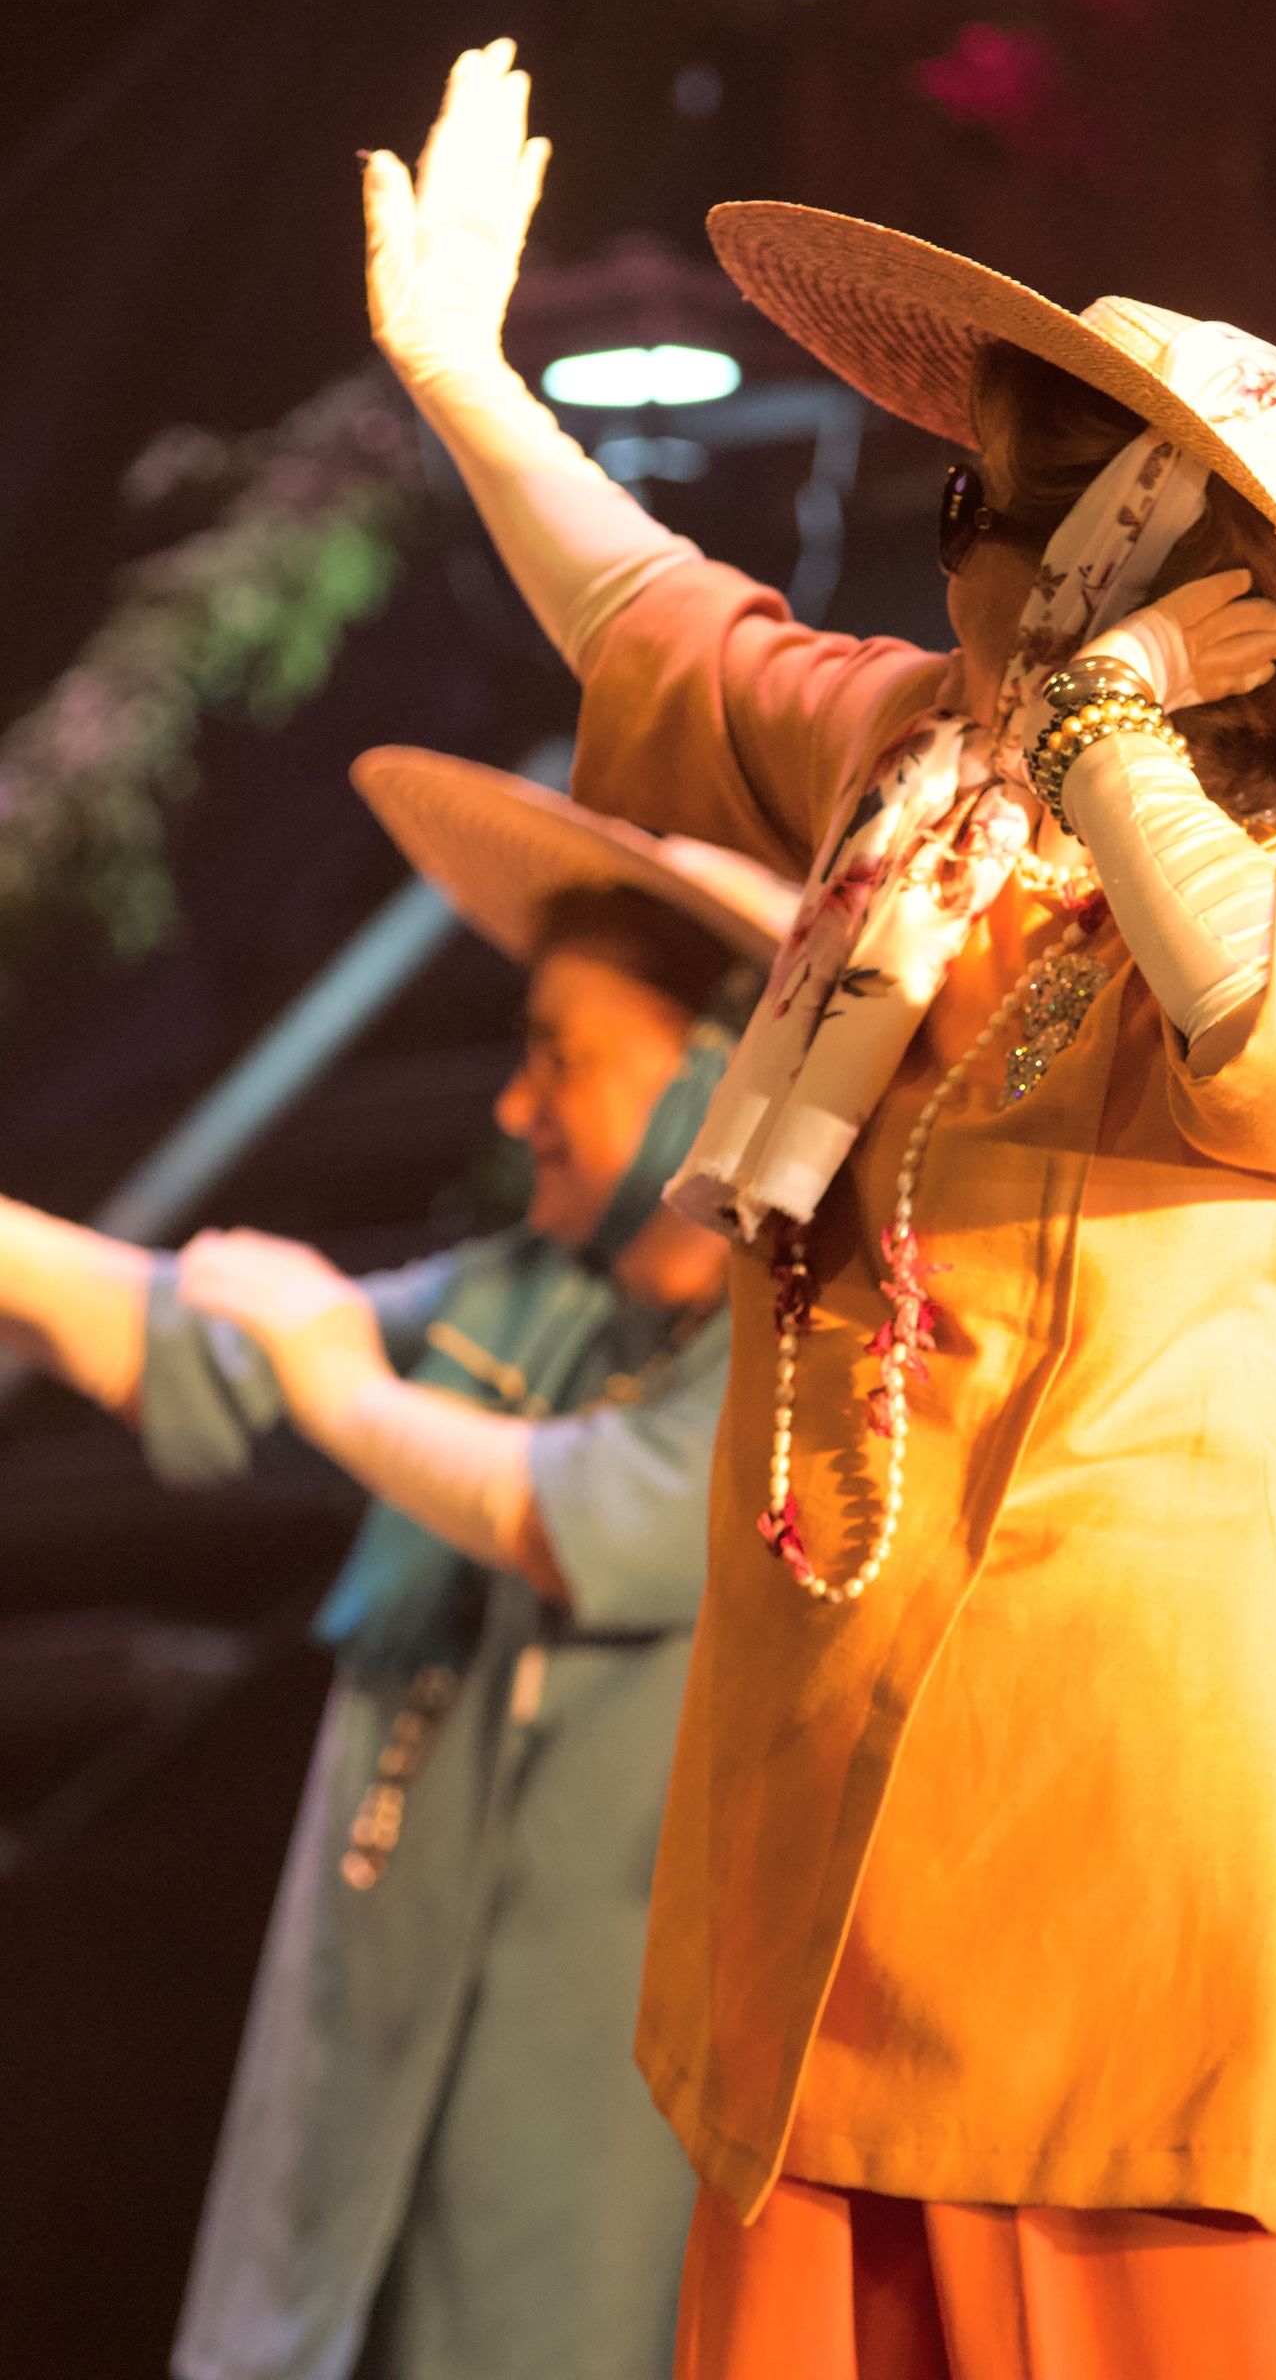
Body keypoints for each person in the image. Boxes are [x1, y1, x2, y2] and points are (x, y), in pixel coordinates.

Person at [360, 42, 1276, 2380]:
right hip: (831, 1907)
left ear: (1149, 571)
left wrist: (1116, 727)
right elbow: (662, 621)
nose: (956, 564)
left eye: (997, 513)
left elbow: (1262, 1033)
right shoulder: (922, 809)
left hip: (1123, 1944)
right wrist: (461, 381)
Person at [0, 749, 795, 2380]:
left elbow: (593, 1517)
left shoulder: (807, 1372)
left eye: (559, 1058)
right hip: (349, 2130)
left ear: (719, 1078)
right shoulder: (532, 1295)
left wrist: (342, 1389)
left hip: (577, 2190)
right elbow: (194, 1340)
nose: (516, 1106)